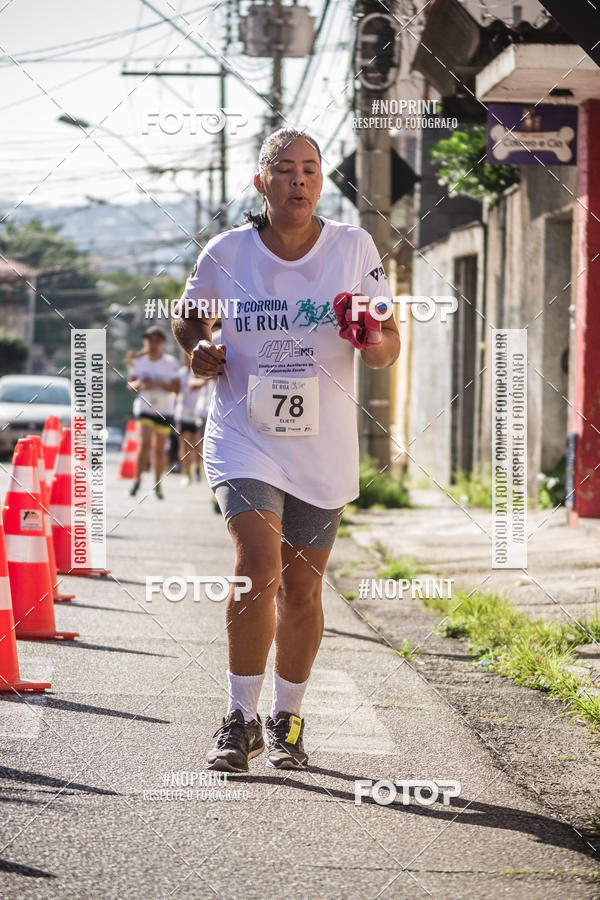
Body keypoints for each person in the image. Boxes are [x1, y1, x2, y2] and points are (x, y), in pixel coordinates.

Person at [172, 127, 400, 772]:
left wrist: (369, 339)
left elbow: (389, 345)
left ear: (320, 181)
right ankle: (239, 718)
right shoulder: (228, 252)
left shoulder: (354, 247)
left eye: (309, 169)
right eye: (284, 169)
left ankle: (287, 718)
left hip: (322, 445)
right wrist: (200, 348)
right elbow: (192, 316)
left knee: (301, 589)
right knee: (257, 564)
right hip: (244, 434)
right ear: (261, 182)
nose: (298, 180)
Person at [127, 326, 180, 499]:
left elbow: (177, 387)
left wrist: (158, 384)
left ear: (162, 343)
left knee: (159, 450)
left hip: (165, 410)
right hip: (144, 408)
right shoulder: (138, 361)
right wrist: (141, 383)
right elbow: (131, 386)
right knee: (145, 445)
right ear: (145, 341)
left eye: (157, 340)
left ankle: (157, 484)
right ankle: (137, 479)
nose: (153, 343)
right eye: (150, 340)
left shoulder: (170, 362)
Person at [175, 351, 206, 485]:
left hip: (199, 411)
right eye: (184, 357)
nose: (186, 359)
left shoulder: (200, 371)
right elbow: (177, 390)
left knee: (198, 444)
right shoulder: (180, 373)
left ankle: (197, 468)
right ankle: (186, 473)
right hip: (183, 412)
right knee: (185, 443)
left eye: (188, 356)